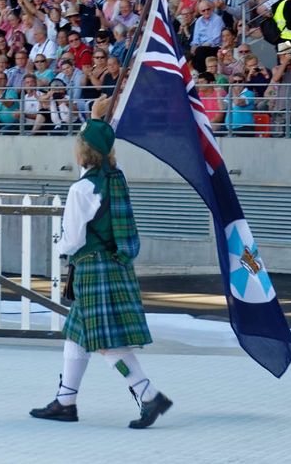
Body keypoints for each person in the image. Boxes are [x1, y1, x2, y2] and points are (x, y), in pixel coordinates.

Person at [30, 98, 172, 429]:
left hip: (92, 269)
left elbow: (73, 238)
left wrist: (60, 249)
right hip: (113, 265)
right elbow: (98, 161)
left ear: (85, 153)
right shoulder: (114, 178)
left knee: (106, 344)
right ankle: (66, 402)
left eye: (79, 145)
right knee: (76, 336)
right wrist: (95, 119)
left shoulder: (81, 190)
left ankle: (148, 395)